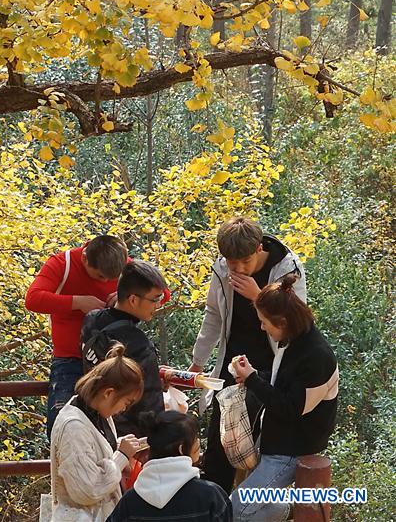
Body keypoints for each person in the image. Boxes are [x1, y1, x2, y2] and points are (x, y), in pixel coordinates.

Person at [189, 217, 306, 492]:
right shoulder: (221, 270)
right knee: (220, 444)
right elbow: (214, 316)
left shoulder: (287, 269)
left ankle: (254, 509)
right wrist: (198, 361)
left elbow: (297, 323)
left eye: (245, 261)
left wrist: (260, 297)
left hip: (271, 366)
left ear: (258, 248)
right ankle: (214, 505)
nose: (239, 269)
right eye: (232, 263)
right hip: (232, 363)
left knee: (262, 445)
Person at [230, 274, 338, 522]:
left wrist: (253, 380)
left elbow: (290, 407)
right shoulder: (294, 339)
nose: (262, 327)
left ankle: (288, 510)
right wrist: (254, 375)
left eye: (264, 322)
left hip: (294, 449)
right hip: (276, 441)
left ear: (282, 321)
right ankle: (288, 511)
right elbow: (285, 383)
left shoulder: (317, 356)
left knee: (236, 510)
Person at [25, 235, 130, 439]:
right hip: (70, 357)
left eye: (112, 278)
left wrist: (125, 296)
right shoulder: (61, 263)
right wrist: (77, 302)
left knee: (118, 426)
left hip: (112, 359)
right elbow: (33, 299)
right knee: (62, 423)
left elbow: (161, 293)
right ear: (84, 258)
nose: (106, 282)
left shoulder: (123, 264)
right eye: (100, 276)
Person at [49, 344, 145, 521]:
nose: (125, 408)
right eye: (127, 401)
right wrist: (121, 456)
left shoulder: (98, 413)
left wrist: (119, 449)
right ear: (109, 393)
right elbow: (87, 490)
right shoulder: (74, 427)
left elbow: (95, 456)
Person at [80, 260, 167, 437]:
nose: (158, 305)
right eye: (155, 299)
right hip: (129, 439)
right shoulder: (138, 344)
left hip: (90, 424)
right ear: (133, 299)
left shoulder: (91, 320)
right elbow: (150, 405)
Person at [107, 411, 232, 521]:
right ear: (181, 449)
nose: (198, 442)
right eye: (195, 438)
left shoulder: (130, 501)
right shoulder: (211, 496)